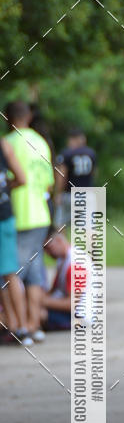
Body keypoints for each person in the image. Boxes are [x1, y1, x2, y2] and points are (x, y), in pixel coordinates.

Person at [4, 100, 54, 342]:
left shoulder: (10, 143)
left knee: (12, 273)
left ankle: (20, 327)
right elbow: (49, 182)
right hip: (41, 214)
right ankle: (34, 325)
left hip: (21, 215)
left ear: (8, 118)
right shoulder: (41, 142)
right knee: (34, 274)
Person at [0, 134, 31, 345]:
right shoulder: (4, 145)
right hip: (6, 215)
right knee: (9, 273)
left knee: (8, 274)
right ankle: (18, 326)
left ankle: (18, 325)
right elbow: (21, 178)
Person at [54, 127, 97, 227]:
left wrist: (58, 193)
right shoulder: (91, 153)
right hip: (88, 194)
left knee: (59, 225)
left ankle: (64, 243)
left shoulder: (66, 153)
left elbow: (61, 175)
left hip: (70, 194)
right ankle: (89, 243)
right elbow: (94, 173)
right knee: (88, 226)